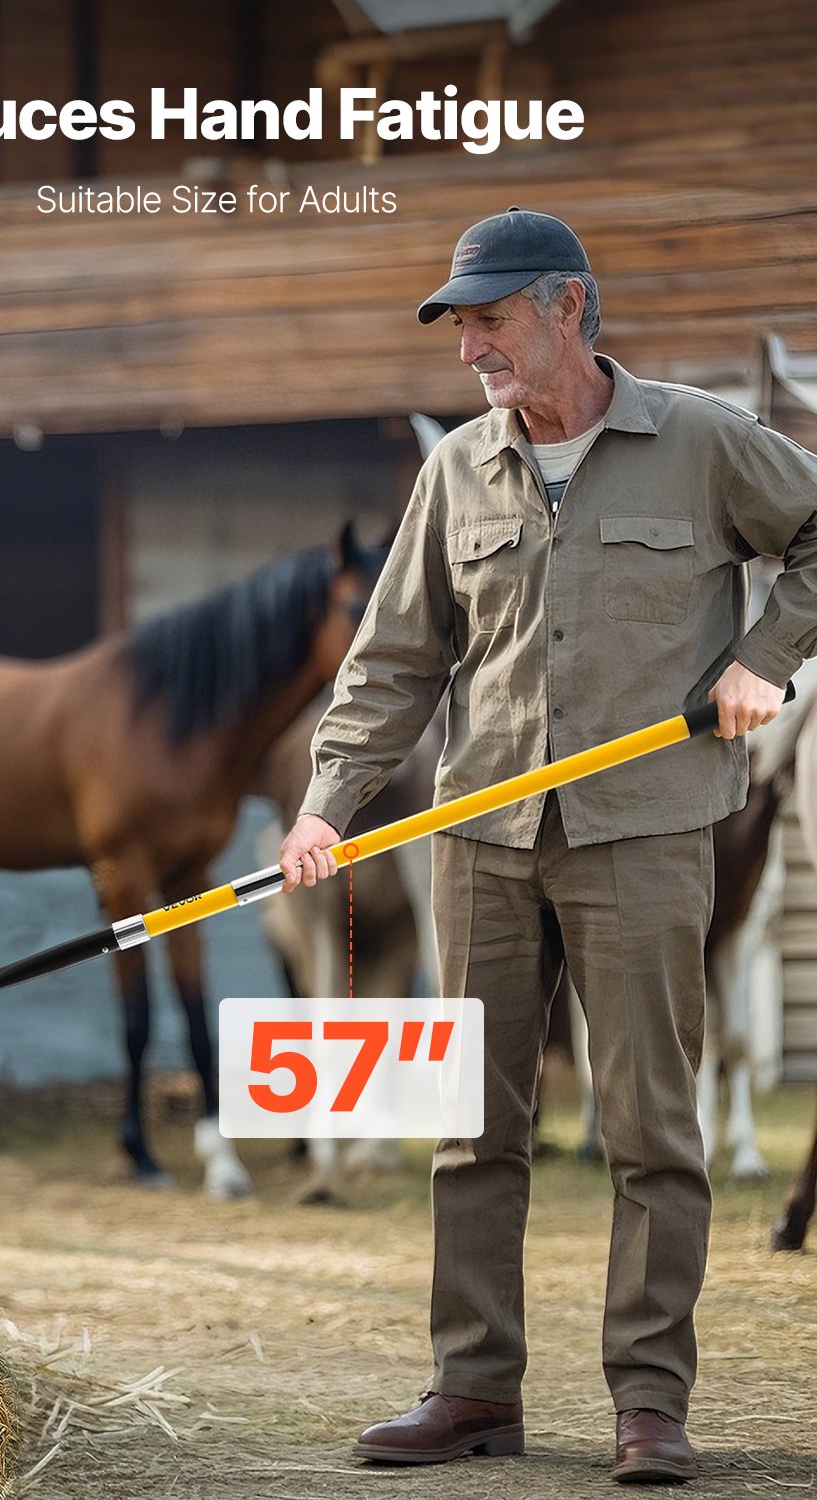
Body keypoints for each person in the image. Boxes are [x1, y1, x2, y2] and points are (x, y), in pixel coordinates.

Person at [278, 207, 817, 1484]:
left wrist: (764, 656)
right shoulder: (456, 471)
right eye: (460, 324)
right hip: (483, 832)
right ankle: (473, 1390)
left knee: (650, 1126)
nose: (470, 347)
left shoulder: (701, 442)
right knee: (471, 1126)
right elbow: (395, 658)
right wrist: (326, 804)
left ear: (568, 305)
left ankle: (650, 1402)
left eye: (491, 318)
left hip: (645, 829)